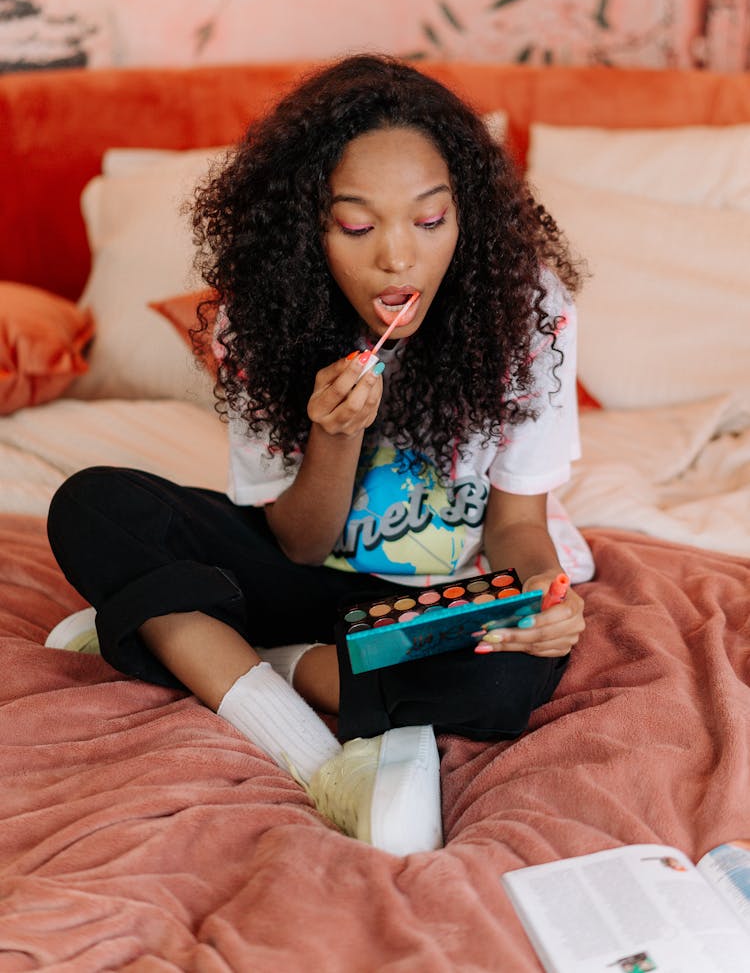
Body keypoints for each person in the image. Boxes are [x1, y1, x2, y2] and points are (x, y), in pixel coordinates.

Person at [46, 54, 591, 856]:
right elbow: (298, 542)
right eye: (359, 226)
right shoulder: (255, 323)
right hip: (301, 573)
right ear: (308, 227)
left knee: (507, 680)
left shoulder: (529, 308)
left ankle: (206, 638)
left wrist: (540, 600)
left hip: (433, 601)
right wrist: (334, 434)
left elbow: (515, 526)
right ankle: (315, 759)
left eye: (430, 221)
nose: (398, 258)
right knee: (93, 505)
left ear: (466, 217)